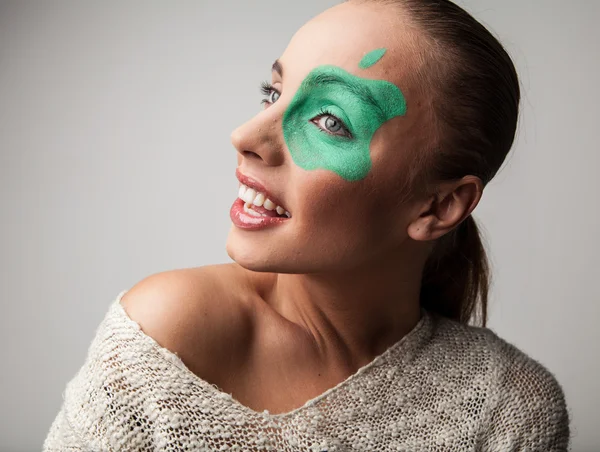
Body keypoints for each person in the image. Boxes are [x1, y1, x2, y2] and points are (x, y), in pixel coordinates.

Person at [43, 0, 571, 450]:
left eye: (330, 120)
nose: (246, 135)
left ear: (439, 207)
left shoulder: (509, 409)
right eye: (273, 94)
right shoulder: (168, 338)